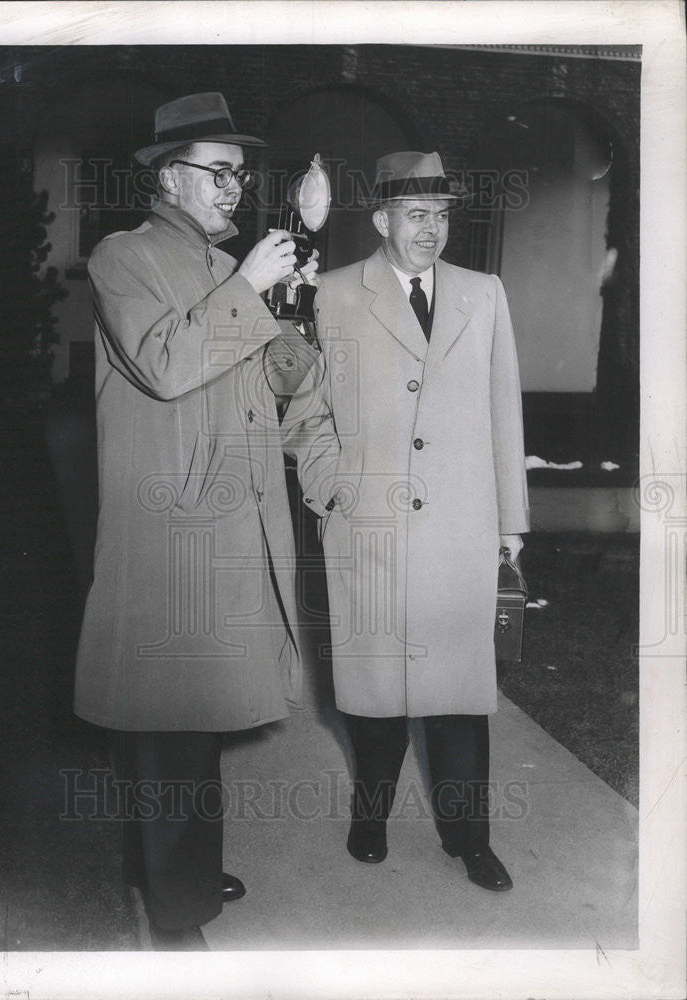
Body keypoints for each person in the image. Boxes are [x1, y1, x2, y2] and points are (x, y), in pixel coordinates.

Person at [73, 92, 318, 950]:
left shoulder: (226, 268)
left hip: (232, 522)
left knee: (198, 718)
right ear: (167, 178)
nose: (233, 189)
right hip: (172, 528)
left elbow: (281, 389)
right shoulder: (122, 256)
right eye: (218, 173)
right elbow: (168, 367)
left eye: (239, 175)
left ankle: (175, 869)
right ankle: (175, 919)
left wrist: (287, 313)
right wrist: (249, 285)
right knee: (170, 727)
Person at [282, 151, 530, 892]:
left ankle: (467, 839)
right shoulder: (329, 295)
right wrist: (334, 494)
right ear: (382, 219)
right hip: (369, 530)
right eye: (417, 216)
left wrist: (509, 521)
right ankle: (371, 815)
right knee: (374, 695)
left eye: (443, 215)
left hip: (459, 529)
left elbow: (503, 411)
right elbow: (305, 416)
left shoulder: (483, 294)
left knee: (458, 699)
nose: (433, 230)